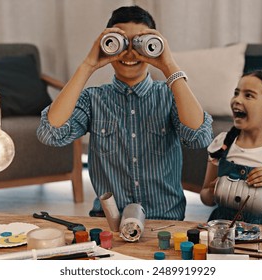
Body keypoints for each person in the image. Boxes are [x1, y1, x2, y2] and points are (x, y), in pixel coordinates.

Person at [37, 5, 213, 220]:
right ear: (106, 44)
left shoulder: (170, 96)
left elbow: (199, 137)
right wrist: (88, 65)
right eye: (120, 43)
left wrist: (168, 65)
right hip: (108, 219)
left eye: (140, 44)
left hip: (164, 219)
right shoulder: (94, 99)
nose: (130, 53)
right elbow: (50, 134)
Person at [200, 69, 262, 259]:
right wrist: (216, 191)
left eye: (248, 95)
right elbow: (206, 197)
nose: (237, 100)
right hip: (223, 240)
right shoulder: (221, 144)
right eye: (236, 93)